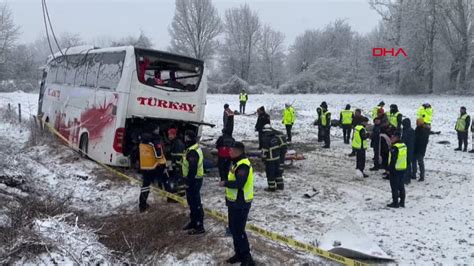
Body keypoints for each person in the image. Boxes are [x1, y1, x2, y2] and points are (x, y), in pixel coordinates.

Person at [219, 141, 255, 265]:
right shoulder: (236, 163)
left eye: (231, 150)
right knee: (234, 230)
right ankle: (239, 254)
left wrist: (225, 183)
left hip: (241, 203)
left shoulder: (243, 165)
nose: (229, 151)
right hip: (233, 203)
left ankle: (247, 259)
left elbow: (240, 184)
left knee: (239, 231)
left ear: (238, 151)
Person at [138, 125, 167, 212]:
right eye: (157, 129)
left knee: (145, 186)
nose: (159, 130)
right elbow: (158, 155)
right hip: (154, 166)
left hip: (145, 166)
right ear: (155, 130)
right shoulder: (155, 140)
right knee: (164, 180)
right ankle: (170, 197)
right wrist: (164, 164)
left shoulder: (143, 139)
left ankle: (142, 204)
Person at [182, 130, 205, 235]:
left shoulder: (192, 151)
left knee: (195, 203)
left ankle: (199, 226)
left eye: (186, 137)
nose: (184, 139)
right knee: (191, 202)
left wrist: (188, 181)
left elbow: (193, 168)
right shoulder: (193, 148)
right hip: (193, 179)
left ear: (188, 138)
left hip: (194, 180)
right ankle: (193, 221)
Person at [387, 131, 407, 208]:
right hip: (402, 168)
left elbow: (393, 159)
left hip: (395, 169)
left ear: (397, 137)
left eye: (393, 137)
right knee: (401, 186)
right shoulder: (403, 145)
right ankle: (402, 202)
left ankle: (395, 203)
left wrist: (389, 169)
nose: (391, 138)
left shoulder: (395, 147)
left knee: (394, 187)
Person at [166, 127, 186, 199]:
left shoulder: (178, 143)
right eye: (168, 135)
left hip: (178, 166)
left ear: (174, 135)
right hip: (176, 165)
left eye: (170, 135)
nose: (169, 136)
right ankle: (180, 194)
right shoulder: (174, 142)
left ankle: (179, 195)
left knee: (178, 180)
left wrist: (174, 164)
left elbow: (178, 156)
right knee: (177, 180)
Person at [261, 124, 281, 192]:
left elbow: (264, 150)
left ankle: (271, 187)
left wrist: (263, 158)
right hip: (277, 158)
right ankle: (280, 185)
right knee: (278, 172)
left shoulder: (265, 138)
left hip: (270, 159)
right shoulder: (275, 136)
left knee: (270, 173)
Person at [401, 118, 415, 184]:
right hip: (407, 149)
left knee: (407, 164)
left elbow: (406, 140)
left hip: (408, 149)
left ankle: (407, 179)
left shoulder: (408, 131)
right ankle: (406, 178)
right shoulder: (408, 130)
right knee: (407, 164)